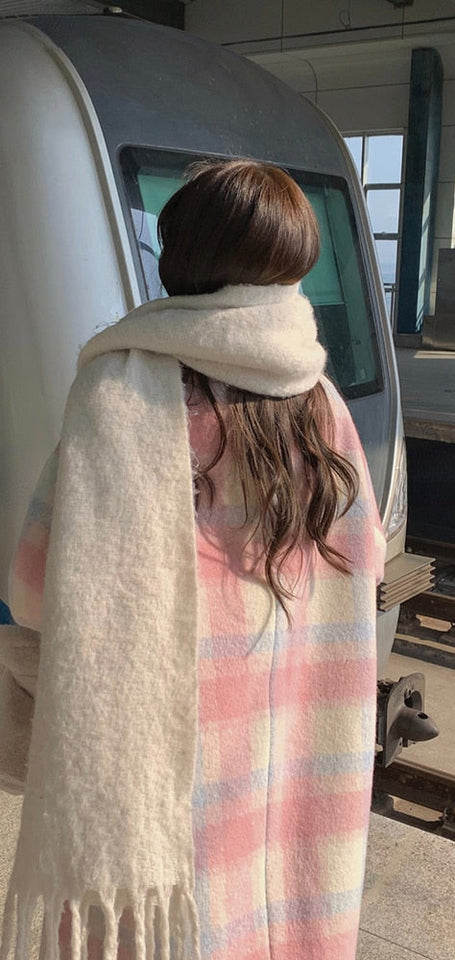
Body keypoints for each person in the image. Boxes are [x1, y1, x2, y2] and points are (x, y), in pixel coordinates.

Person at [0, 158, 386, 960]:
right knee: (271, 911)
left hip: (168, 747)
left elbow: (38, 590)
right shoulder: (322, 401)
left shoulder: (124, 391)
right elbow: (365, 563)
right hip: (292, 738)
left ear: (182, 258)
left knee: (177, 921)